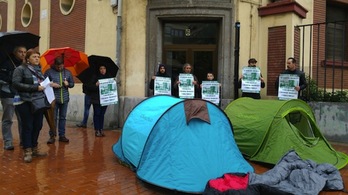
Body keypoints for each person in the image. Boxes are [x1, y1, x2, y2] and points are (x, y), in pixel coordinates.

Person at [12, 49, 47, 163]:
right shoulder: (20, 69)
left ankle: (34, 148)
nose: (37, 58)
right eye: (34, 57)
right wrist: (35, 88)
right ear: (27, 59)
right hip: (24, 101)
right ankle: (27, 151)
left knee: (38, 125)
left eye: (38, 56)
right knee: (28, 126)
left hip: (38, 101)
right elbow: (16, 84)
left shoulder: (39, 70)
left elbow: (40, 84)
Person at [0, 46, 26, 150]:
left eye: (24, 52)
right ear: (15, 53)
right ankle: (8, 142)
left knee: (22, 119)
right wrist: (13, 77)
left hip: (21, 95)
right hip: (8, 94)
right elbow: (1, 78)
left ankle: (23, 140)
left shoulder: (24, 65)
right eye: (20, 52)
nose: (23, 54)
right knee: (8, 119)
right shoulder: (5, 63)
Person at [44, 57, 74, 143]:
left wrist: (68, 84)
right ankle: (52, 135)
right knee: (53, 118)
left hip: (64, 98)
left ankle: (62, 135)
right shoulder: (49, 72)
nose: (60, 68)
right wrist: (51, 84)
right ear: (55, 65)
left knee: (63, 117)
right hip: (53, 99)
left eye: (61, 66)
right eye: (58, 67)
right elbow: (43, 83)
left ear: (63, 65)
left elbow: (72, 84)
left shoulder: (67, 72)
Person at [85, 65, 110, 137]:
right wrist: (96, 85)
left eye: (104, 68)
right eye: (101, 68)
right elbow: (89, 87)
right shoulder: (94, 77)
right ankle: (97, 130)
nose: (102, 70)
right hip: (96, 99)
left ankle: (101, 129)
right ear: (99, 69)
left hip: (105, 99)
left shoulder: (108, 77)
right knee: (97, 114)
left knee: (102, 114)